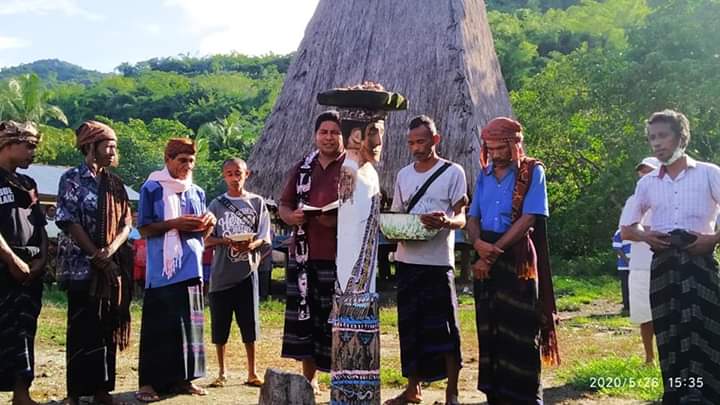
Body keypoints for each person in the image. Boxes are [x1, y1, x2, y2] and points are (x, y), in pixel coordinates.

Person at [621, 110, 720, 403]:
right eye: (652, 138)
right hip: (663, 265)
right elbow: (627, 228)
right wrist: (645, 235)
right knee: (669, 331)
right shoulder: (647, 183)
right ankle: (677, 394)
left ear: (681, 137)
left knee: (706, 328)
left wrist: (713, 239)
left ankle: (708, 394)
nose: (656, 143)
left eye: (663, 136)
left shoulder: (709, 173)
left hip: (700, 262)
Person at [317, 82, 408, 404]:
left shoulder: (367, 171)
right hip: (352, 281)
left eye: (380, 131)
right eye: (373, 132)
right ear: (355, 135)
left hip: (363, 280)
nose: (380, 140)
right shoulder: (350, 170)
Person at [466, 117, 559, 405]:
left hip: (516, 257)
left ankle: (525, 397)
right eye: (489, 148)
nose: (494, 154)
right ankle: (496, 394)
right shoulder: (484, 174)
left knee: (520, 326)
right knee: (490, 324)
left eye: (499, 148)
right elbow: (472, 216)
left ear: (513, 145)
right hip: (484, 254)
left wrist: (493, 251)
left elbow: (529, 217)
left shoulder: (532, 172)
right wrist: (479, 244)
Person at [386, 115, 467, 405]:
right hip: (408, 260)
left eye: (421, 141)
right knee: (410, 327)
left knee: (446, 328)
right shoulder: (403, 175)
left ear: (436, 139)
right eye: (411, 142)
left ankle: (452, 392)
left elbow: (462, 217)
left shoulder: (453, 172)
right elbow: (397, 214)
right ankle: (412, 389)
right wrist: (397, 227)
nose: (416, 147)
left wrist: (446, 222)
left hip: (438, 263)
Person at [55, 121, 133, 405]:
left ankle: (102, 388)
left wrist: (110, 251)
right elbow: (69, 220)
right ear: (90, 147)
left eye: (114, 146)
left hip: (110, 268)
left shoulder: (115, 183)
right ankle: (75, 392)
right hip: (80, 266)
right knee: (81, 327)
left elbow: (127, 222)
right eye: (108, 146)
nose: (113, 151)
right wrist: (95, 254)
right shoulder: (72, 179)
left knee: (106, 326)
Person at [136, 138, 215, 402]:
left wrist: (209, 222)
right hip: (163, 269)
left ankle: (184, 380)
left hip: (192, 265)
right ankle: (148, 384)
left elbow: (203, 233)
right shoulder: (152, 188)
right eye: (182, 160)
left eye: (191, 161)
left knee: (188, 327)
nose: (187, 166)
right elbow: (144, 228)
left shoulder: (197, 191)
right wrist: (174, 223)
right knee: (159, 327)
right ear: (168, 159)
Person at [279, 110, 345, 393]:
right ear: (316, 135)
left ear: (343, 135)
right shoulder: (302, 167)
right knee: (306, 318)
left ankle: (341, 377)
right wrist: (291, 217)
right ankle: (310, 378)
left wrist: (338, 217)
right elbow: (284, 204)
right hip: (305, 254)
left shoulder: (353, 166)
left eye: (334, 132)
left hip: (341, 256)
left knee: (336, 319)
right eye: (324, 132)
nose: (328, 137)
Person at [205, 158, 271, 389]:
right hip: (222, 275)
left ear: (247, 174)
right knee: (219, 325)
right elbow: (205, 238)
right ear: (224, 176)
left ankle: (252, 372)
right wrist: (225, 240)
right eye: (230, 173)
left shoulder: (257, 202)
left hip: (247, 272)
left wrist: (252, 245)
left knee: (249, 324)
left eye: (238, 173)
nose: (235, 178)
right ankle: (221, 372)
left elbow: (264, 235)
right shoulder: (216, 204)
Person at [0, 121, 48, 405]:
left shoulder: (28, 184)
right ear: (7, 144)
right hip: (5, 265)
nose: (32, 153)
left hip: (30, 268)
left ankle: (22, 393)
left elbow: (40, 225)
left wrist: (42, 258)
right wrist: (11, 259)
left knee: (25, 330)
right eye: (28, 146)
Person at [619, 157, 659, 365]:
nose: (643, 177)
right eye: (641, 174)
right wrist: (654, 235)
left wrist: (643, 232)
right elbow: (626, 232)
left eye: (649, 172)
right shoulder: (633, 201)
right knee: (645, 315)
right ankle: (649, 358)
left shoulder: (669, 199)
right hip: (641, 265)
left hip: (668, 264)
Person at [611, 229, 630, 313]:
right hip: (624, 266)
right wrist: (627, 261)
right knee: (626, 286)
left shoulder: (642, 230)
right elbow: (617, 248)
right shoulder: (620, 232)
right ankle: (627, 307)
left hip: (639, 266)